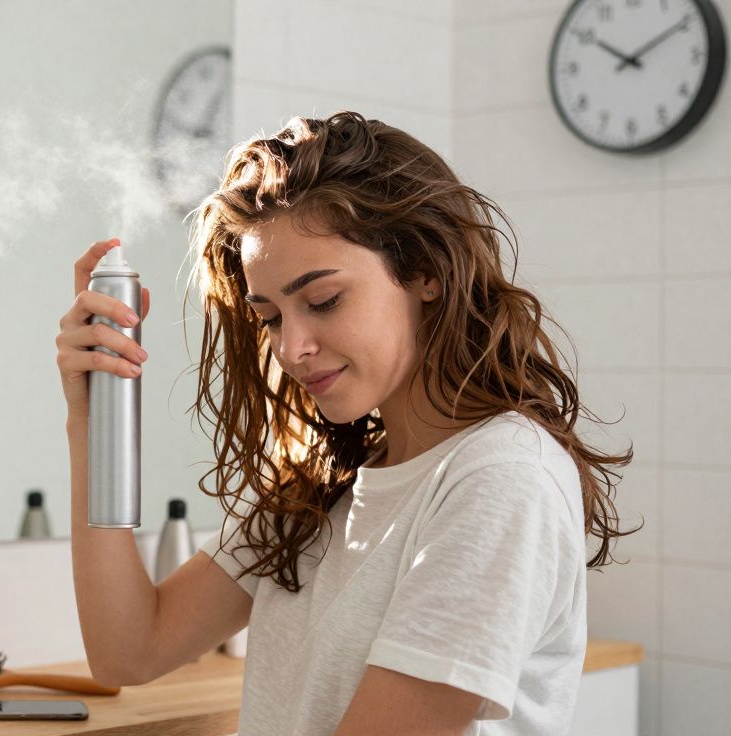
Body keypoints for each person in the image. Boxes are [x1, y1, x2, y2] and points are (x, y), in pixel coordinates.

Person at [55, 112, 638, 735]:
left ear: (425, 272)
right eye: (271, 316)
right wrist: (91, 414)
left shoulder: (500, 479)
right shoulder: (325, 485)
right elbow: (130, 650)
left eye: (323, 300)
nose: (291, 347)